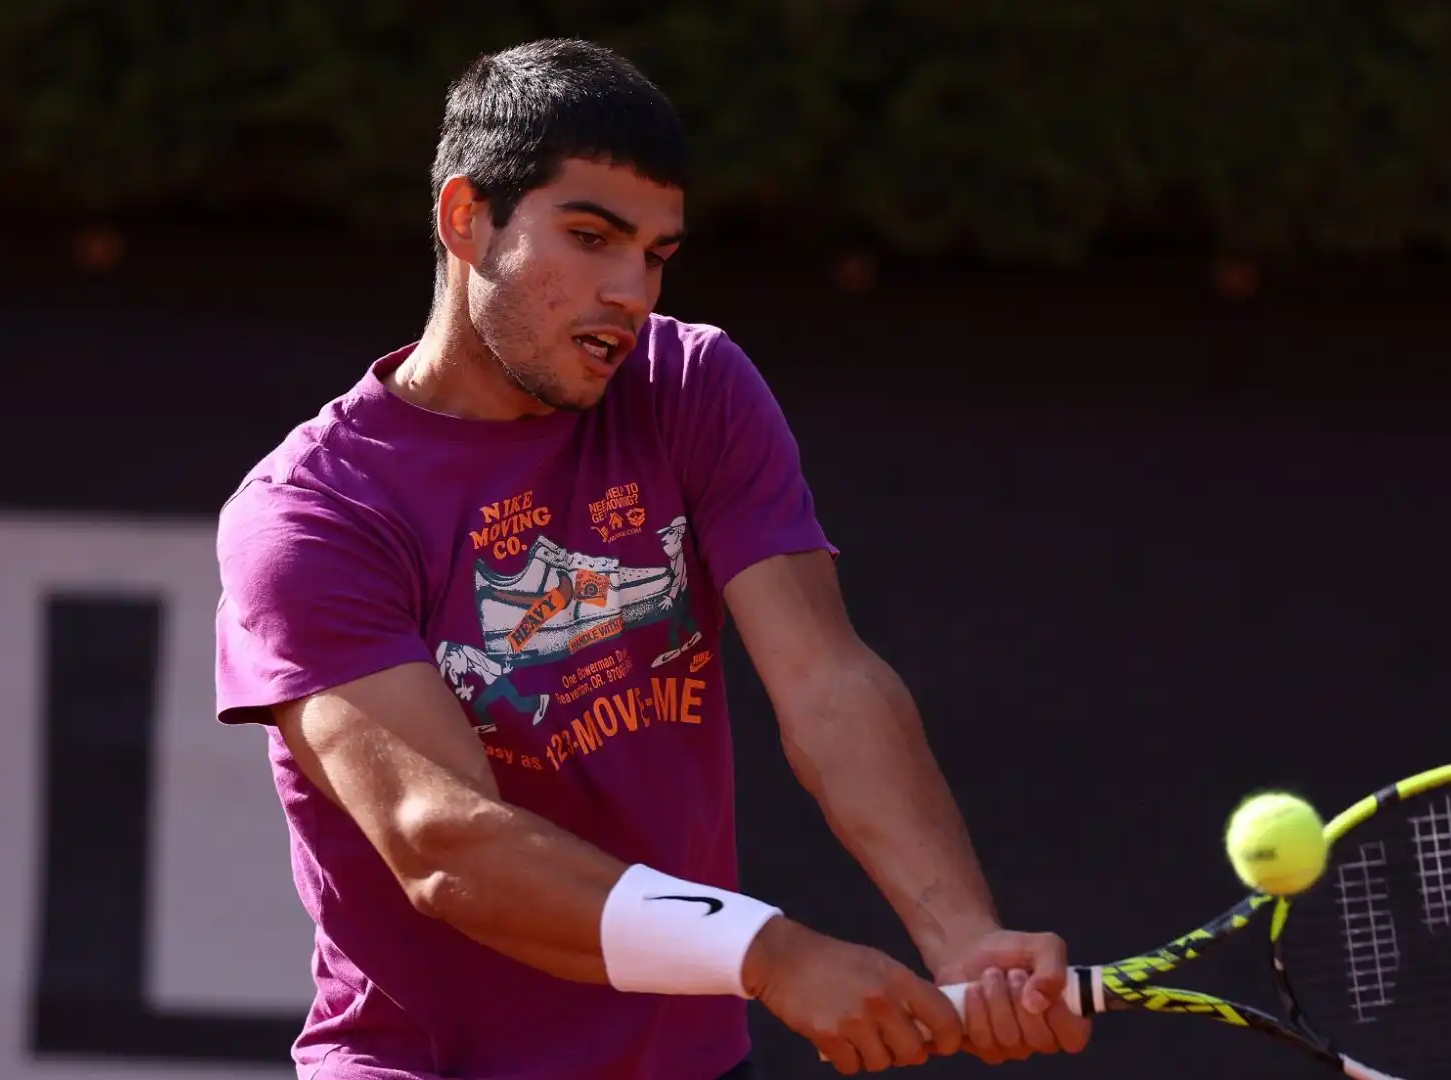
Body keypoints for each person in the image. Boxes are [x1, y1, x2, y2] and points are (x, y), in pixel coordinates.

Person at [213, 37, 1091, 1080]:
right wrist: (766, 953)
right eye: (590, 236)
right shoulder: (314, 512)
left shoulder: (692, 387)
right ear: (465, 218)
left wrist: (963, 939)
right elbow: (444, 843)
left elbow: (829, 686)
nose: (630, 289)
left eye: (657, 253)